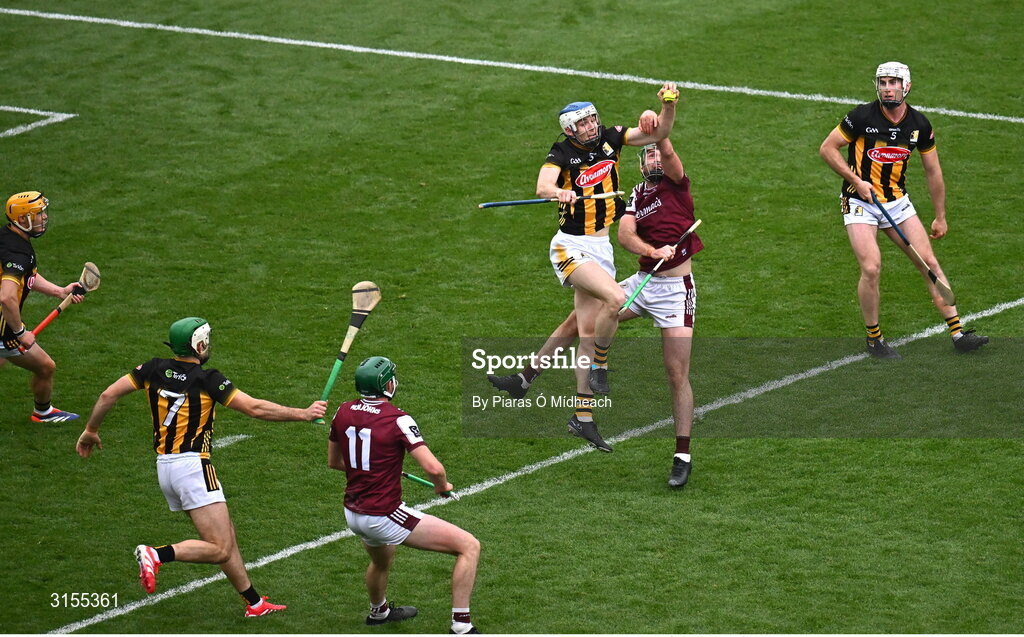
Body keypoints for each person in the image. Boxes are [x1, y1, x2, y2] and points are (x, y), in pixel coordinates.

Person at [75, 317, 327, 618]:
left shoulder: (152, 368)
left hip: (165, 467)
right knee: (220, 548)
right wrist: (303, 413)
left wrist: (91, 429)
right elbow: (254, 408)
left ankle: (254, 603)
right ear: (200, 344)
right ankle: (157, 554)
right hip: (193, 467)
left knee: (226, 537)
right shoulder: (208, 379)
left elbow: (107, 395)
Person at [491, 130, 703, 486]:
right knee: (579, 321)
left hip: (675, 293)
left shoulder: (676, 183)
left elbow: (664, 141)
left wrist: (664, 111)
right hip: (643, 281)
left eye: (657, 154)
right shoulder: (635, 194)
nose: (653, 159)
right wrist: (651, 251)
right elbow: (625, 235)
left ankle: (682, 455)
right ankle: (526, 378)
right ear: (639, 164)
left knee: (675, 372)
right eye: (647, 155)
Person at [534, 84, 677, 451]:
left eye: (593, 118)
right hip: (570, 245)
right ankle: (600, 363)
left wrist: (664, 107)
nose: (592, 126)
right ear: (570, 129)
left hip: (601, 248)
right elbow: (542, 184)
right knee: (617, 299)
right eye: (583, 123)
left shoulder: (612, 138)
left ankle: (582, 418)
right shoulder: (561, 152)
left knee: (585, 331)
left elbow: (659, 132)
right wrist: (558, 192)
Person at [819, 61, 988, 359]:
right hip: (860, 202)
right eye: (882, 82)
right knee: (871, 267)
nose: (887, 88)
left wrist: (940, 215)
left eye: (893, 82)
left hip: (897, 203)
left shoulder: (919, 125)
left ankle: (958, 334)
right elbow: (827, 149)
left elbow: (933, 171)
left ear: (906, 86)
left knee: (930, 265)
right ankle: (874, 340)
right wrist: (857, 181)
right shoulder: (861, 117)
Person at [329, 356, 481, 634]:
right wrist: (441, 486)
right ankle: (461, 626)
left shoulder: (342, 411)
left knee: (381, 560)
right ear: (386, 384)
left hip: (353, 513)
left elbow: (335, 462)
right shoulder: (398, 419)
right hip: (383, 514)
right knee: (468, 546)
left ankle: (379, 612)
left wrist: (378, 468)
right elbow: (433, 467)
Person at [0, 191, 85, 422]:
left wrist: (60, 291)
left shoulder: (9, 237)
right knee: (45, 366)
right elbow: (7, 297)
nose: (44, 218)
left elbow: (27, 276)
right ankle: (43, 413)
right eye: (38, 215)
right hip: (4, 330)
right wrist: (20, 333)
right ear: (22, 219)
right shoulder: (16, 252)